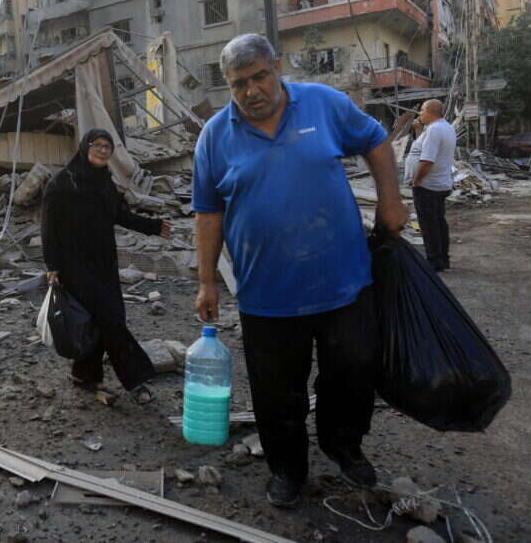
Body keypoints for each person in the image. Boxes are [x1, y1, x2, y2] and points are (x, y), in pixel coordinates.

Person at [191, 34, 408, 508]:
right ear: (228, 85)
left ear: (277, 67)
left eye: (259, 77)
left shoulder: (324, 104)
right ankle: (287, 468)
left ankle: (343, 446)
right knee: (276, 392)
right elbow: (208, 212)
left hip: (344, 282)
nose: (251, 91)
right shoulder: (214, 135)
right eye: (238, 84)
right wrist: (206, 280)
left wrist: (391, 201)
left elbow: (375, 140)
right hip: (266, 292)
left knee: (351, 374)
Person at [41, 128, 172, 406]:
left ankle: (83, 373)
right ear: (85, 146)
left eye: (107, 146)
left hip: (104, 263)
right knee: (111, 320)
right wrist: (52, 266)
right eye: (97, 145)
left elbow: (119, 215)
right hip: (75, 266)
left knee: (96, 320)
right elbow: (48, 229)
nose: (102, 150)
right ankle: (136, 379)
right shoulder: (62, 183)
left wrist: (152, 226)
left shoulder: (104, 181)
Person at [410, 99, 457, 271]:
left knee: (429, 225)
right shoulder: (446, 127)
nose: (420, 113)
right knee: (438, 222)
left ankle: (434, 261)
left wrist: (416, 180)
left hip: (427, 185)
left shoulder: (434, 130)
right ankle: (443, 258)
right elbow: (421, 149)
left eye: (422, 110)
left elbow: (427, 160)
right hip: (440, 183)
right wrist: (418, 129)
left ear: (430, 112)